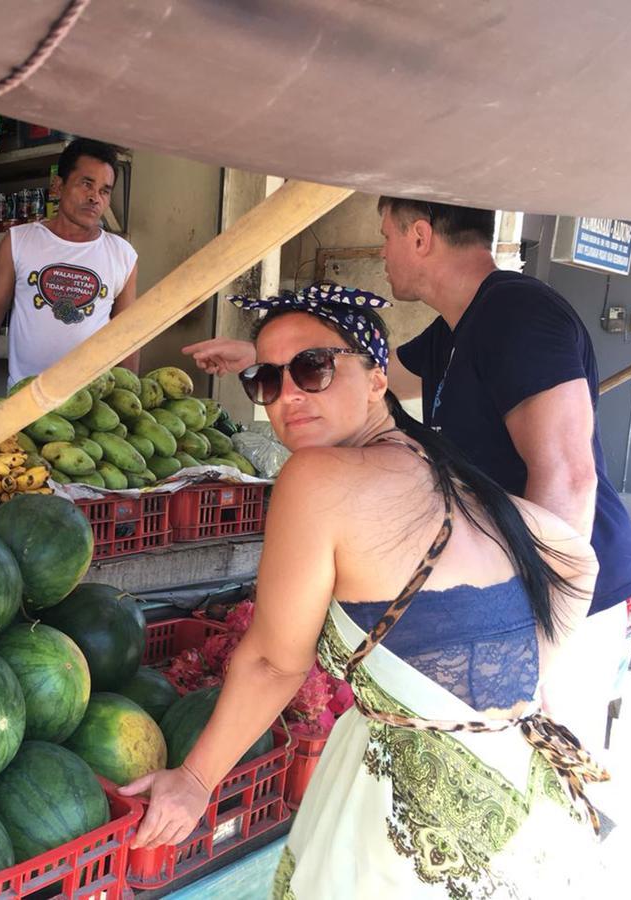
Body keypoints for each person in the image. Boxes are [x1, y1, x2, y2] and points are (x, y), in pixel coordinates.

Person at [124, 285, 604, 898]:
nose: (287, 395)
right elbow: (573, 560)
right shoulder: (450, 475)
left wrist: (193, 779)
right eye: (266, 381)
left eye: (312, 368)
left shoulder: (316, 476)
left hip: (409, 832)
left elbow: (275, 661)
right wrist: (513, 701)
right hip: (529, 803)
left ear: (378, 379)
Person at [184, 200, 631, 749]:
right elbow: (372, 369)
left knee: (530, 788)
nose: (381, 253)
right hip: (495, 604)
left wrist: (532, 639)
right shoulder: (455, 328)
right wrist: (268, 359)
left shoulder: (518, 313)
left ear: (421, 237)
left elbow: (569, 477)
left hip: (560, 598)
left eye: (386, 236)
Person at [0, 138, 138, 395]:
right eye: (87, 184)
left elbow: (127, 331)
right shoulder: (19, 241)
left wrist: (129, 398)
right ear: (58, 185)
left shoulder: (123, 255)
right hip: (25, 399)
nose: (94, 198)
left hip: (94, 403)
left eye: (104, 190)